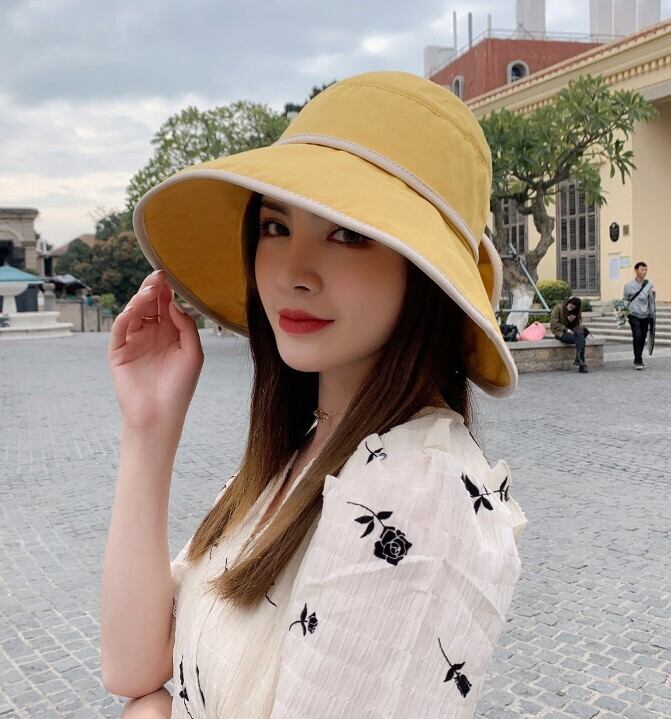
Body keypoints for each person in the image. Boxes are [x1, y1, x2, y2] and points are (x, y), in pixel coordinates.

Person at [101, 71, 528, 718]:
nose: (293, 272)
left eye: (347, 233)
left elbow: (148, 697)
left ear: (424, 273)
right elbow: (134, 665)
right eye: (275, 226)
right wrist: (149, 427)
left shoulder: (414, 487)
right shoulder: (303, 449)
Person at [623, 262, 656, 370]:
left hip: (645, 315)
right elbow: (625, 300)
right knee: (637, 335)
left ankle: (638, 358)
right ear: (636, 270)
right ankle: (637, 361)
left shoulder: (649, 284)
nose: (644, 272)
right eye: (642, 269)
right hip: (633, 314)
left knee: (642, 338)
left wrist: (653, 294)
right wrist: (623, 315)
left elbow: (651, 301)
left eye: (646, 270)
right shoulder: (628, 285)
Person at [550, 296, 591, 373]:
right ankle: (581, 365)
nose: (570, 309)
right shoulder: (558, 308)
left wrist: (573, 322)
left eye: (573, 308)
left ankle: (579, 361)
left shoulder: (575, 312)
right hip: (560, 332)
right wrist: (566, 329)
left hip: (572, 332)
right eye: (570, 306)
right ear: (568, 303)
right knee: (580, 339)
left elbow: (576, 326)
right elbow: (554, 324)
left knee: (581, 336)